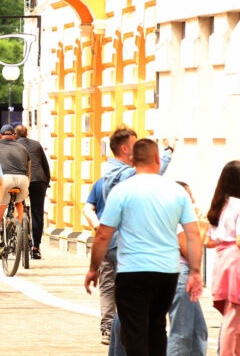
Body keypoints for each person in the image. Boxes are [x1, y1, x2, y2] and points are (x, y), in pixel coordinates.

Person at [84, 139, 202, 356]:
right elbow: (193, 234)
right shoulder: (177, 191)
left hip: (132, 272)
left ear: (132, 160)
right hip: (167, 273)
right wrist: (195, 271)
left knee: (135, 331)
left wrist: (93, 268)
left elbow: (102, 235)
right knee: (157, 328)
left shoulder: (121, 191)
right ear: (158, 159)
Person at [100, 127, 174, 352]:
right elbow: (149, 175)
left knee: (127, 311)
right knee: (133, 316)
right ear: (125, 149)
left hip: (118, 247)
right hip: (126, 251)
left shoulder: (111, 171)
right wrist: (168, 152)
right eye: (135, 145)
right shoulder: (122, 174)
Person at [165, 182, 207, 356]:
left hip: (183, 275)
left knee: (198, 330)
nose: (194, 200)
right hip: (182, 274)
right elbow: (191, 252)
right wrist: (202, 228)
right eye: (190, 196)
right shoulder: (180, 220)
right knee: (181, 332)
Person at [206, 160, 240, 356]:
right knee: (234, 317)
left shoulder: (218, 205)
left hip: (221, 261)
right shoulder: (239, 205)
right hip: (236, 261)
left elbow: (209, 241)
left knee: (229, 313)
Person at [82, 177, 113, 345]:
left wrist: (97, 225)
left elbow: (87, 209)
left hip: (106, 241)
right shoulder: (136, 181)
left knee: (107, 287)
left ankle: (108, 328)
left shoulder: (102, 182)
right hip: (130, 244)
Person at [14, 125, 50, 259]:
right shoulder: (36, 145)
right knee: (37, 212)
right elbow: (45, 164)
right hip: (39, 181)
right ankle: (36, 247)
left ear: (15, 134)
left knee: (17, 205)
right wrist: (47, 181)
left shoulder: (14, 145)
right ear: (27, 133)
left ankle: (16, 236)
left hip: (21, 180)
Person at [0, 125, 30, 235]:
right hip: (23, 179)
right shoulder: (22, 147)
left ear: (0, 135)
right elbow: (28, 168)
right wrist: (27, 183)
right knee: (19, 202)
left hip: (5, 179)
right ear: (14, 136)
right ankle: (18, 232)